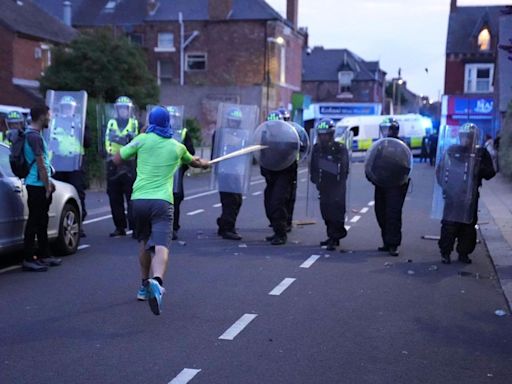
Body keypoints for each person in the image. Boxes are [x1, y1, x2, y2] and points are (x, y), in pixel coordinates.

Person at [114, 106, 209, 315]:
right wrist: (204, 164)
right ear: (169, 124)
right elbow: (195, 162)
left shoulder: (141, 140)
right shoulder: (177, 146)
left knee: (143, 242)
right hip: (162, 202)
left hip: (138, 200)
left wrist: (140, 141)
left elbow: (117, 158)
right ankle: (156, 280)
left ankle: (143, 285)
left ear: (151, 122)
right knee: (161, 246)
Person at [436, 123, 496, 264]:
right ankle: (445, 252)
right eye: (464, 136)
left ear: (475, 137)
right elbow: (441, 170)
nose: (467, 139)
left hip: (470, 196)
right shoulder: (452, 150)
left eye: (469, 137)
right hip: (452, 195)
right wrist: (446, 186)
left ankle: (464, 252)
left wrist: (480, 168)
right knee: (449, 224)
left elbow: (490, 172)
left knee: (468, 226)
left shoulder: (480, 153)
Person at [22, 105, 62, 272]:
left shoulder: (34, 135)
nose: (50, 118)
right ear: (41, 117)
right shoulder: (34, 137)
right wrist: (47, 186)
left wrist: (48, 182)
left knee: (42, 220)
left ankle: (44, 254)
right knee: (34, 221)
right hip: (36, 185)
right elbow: (40, 164)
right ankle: (29, 258)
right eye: (48, 115)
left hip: (39, 183)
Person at [50, 96, 91, 237]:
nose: (67, 110)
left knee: (78, 194)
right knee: (57, 195)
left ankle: (79, 224)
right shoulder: (54, 121)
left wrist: (81, 130)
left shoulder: (80, 121)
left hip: (75, 163)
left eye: (69, 107)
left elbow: (88, 142)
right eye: (65, 107)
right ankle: (58, 224)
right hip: (58, 162)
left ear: (74, 108)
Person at [369, 117, 410, 256]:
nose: (386, 132)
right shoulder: (380, 145)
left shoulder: (401, 145)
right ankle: (386, 241)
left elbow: (406, 165)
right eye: (385, 129)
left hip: (396, 184)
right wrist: (372, 176)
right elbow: (372, 162)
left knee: (393, 214)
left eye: (389, 129)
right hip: (381, 183)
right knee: (380, 212)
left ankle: (393, 244)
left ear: (395, 130)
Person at [310, 119, 349, 251]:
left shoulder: (339, 148)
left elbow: (343, 168)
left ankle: (335, 237)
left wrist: (327, 167)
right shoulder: (317, 148)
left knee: (336, 212)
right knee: (325, 212)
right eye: (320, 134)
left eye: (325, 134)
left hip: (337, 186)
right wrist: (314, 178)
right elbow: (313, 165)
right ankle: (331, 235)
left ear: (331, 134)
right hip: (323, 186)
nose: (323, 137)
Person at [262, 110, 298, 245]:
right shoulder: (266, 137)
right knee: (268, 202)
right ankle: (276, 230)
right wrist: (265, 171)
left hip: (284, 174)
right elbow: (262, 156)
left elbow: (293, 156)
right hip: (271, 174)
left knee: (278, 202)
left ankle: (281, 233)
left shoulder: (289, 137)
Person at [105, 96, 139, 237]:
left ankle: (135, 227)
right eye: (120, 109)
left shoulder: (135, 124)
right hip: (113, 163)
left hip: (129, 164)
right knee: (114, 197)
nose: (123, 111)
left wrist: (124, 140)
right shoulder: (111, 123)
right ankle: (119, 227)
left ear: (129, 110)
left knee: (132, 197)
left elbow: (137, 142)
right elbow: (106, 140)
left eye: (125, 109)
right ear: (116, 110)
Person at [212, 106, 247, 240]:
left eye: (236, 121)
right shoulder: (221, 133)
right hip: (225, 171)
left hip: (236, 171)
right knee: (230, 200)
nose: (234, 123)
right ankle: (227, 228)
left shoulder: (241, 134)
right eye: (232, 121)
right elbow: (215, 152)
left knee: (236, 200)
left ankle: (224, 223)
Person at [167, 106, 195, 240]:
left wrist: (184, 162)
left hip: (177, 172)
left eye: (174, 118)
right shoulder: (159, 132)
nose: (172, 120)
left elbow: (191, 152)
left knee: (175, 199)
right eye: (169, 118)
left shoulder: (183, 133)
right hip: (162, 172)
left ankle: (173, 227)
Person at [278, 106, 297, 232]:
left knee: (289, 197)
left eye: (286, 119)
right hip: (277, 170)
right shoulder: (274, 134)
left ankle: (287, 221)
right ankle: (279, 221)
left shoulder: (293, 133)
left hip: (291, 169)